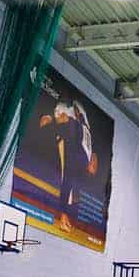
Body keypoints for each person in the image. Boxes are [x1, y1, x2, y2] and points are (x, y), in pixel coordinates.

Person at [38, 100, 96, 233]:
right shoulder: (76, 122)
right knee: (68, 179)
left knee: (67, 179)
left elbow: (62, 116)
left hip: (80, 148)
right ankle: (64, 213)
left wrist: (50, 119)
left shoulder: (72, 120)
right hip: (81, 148)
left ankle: (64, 214)